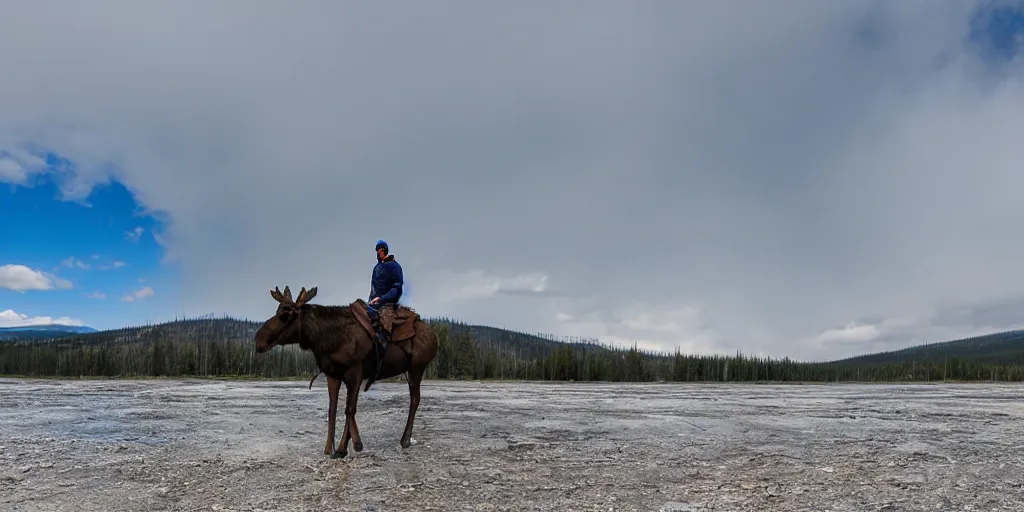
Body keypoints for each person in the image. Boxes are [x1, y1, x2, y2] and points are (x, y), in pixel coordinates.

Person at [367, 239, 403, 349]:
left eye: (381, 250)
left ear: (385, 251)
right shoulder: (376, 268)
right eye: (378, 251)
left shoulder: (395, 266)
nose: (379, 253)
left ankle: (384, 350)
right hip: (373, 304)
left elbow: (397, 289)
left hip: (388, 304)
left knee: (383, 333)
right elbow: (372, 288)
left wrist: (382, 298)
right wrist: (370, 301)